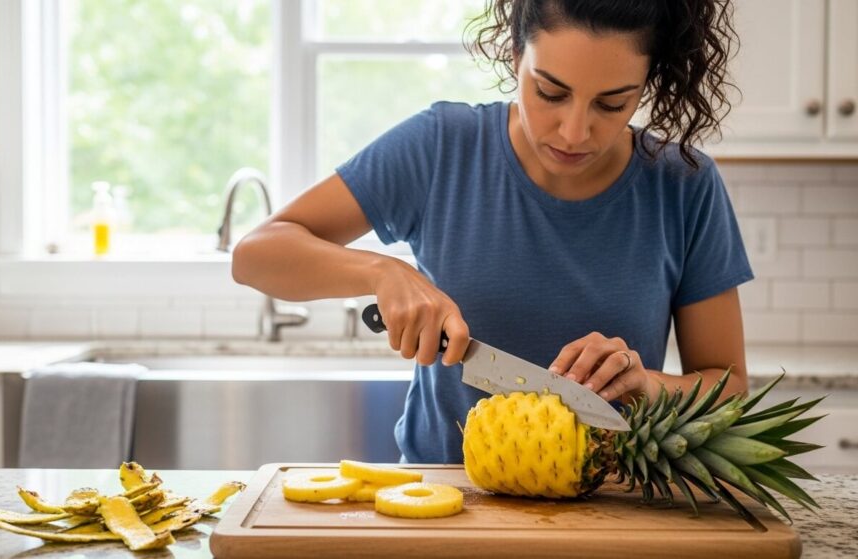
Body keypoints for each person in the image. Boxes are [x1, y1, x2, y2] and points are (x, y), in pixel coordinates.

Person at [233, 0, 751, 464]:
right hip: (445, 504)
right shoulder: (441, 148)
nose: (574, 131)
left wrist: (646, 385)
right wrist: (381, 271)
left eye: (612, 104)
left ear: (650, 81)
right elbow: (256, 254)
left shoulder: (685, 185)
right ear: (513, 55)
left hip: (612, 510)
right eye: (550, 92)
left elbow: (729, 389)